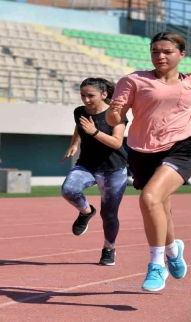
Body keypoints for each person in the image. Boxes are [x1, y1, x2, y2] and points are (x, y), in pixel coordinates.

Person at [107, 31, 191, 292]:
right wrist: (114, 112)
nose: (160, 56)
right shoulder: (133, 80)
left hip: (182, 147)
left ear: (181, 54)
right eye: (155, 51)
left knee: (149, 198)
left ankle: (157, 265)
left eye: (167, 51)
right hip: (141, 150)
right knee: (161, 207)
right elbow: (116, 121)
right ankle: (173, 249)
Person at [60, 77, 129, 266]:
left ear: (104, 95)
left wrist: (94, 132)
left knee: (109, 215)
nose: (86, 100)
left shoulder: (116, 114)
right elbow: (79, 125)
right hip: (87, 165)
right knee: (69, 190)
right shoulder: (80, 112)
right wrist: (75, 143)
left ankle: (109, 249)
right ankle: (86, 212)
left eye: (90, 95)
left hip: (113, 169)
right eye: (82, 95)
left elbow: (116, 142)